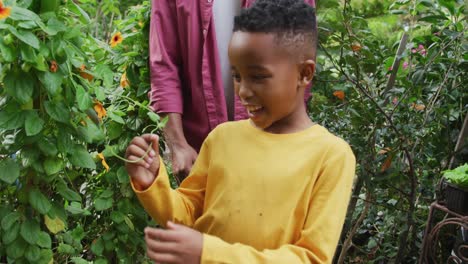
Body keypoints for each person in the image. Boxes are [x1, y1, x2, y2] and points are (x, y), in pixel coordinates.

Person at [126, 0, 355, 263]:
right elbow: (187, 212)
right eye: (237, 76)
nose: (243, 91)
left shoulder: (331, 156)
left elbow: (311, 257)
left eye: (258, 77)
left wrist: (208, 253)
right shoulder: (222, 138)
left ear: (305, 73)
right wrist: (152, 182)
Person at [148, 0, 315, 180]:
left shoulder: (330, 157)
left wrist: (287, 141)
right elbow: (163, 65)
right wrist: (178, 145)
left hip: (273, 148)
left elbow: (301, 54)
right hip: (201, 155)